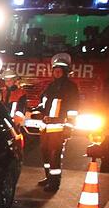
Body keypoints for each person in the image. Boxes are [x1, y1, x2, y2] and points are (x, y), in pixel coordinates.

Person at [34, 53, 79, 191]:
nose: (57, 73)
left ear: (65, 72)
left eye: (60, 71)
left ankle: (54, 183)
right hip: (45, 126)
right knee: (45, 153)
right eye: (55, 70)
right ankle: (48, 177)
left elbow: (73, 109)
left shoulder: (71, 87)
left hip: (59, 127)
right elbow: (43, 103)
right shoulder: (50, 86)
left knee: (55, 155)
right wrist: (36, 110)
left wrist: (69, 126)